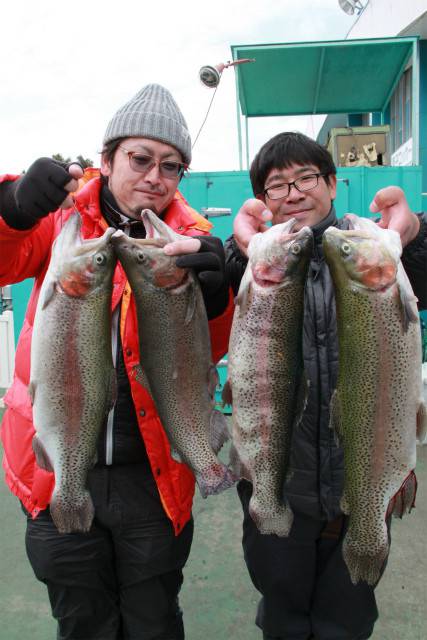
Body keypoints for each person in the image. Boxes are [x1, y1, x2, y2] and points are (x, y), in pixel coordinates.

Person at [0, 83, 234, 640]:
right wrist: (9, 210)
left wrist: (218, 296)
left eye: (171, 166)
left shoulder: (191, 242)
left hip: (151, 480)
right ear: (106, 160)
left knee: (153, 620)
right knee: (82, 621)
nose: (155, 176)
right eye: (140, 159)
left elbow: (209, 354)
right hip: (53, 467)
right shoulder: (59, 226)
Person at [224, 131, 427, 640]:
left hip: (356, 484)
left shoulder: (378, 254)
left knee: (346, 623)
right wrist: (238, 244)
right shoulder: (252, 263)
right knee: (283, 616)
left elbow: (416, 266)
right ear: (264, 201)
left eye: (306, 178)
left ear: (333, 184)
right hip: (278, 486)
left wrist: (415, 232)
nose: (293, 193)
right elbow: (207, 272)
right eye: (276, 186)